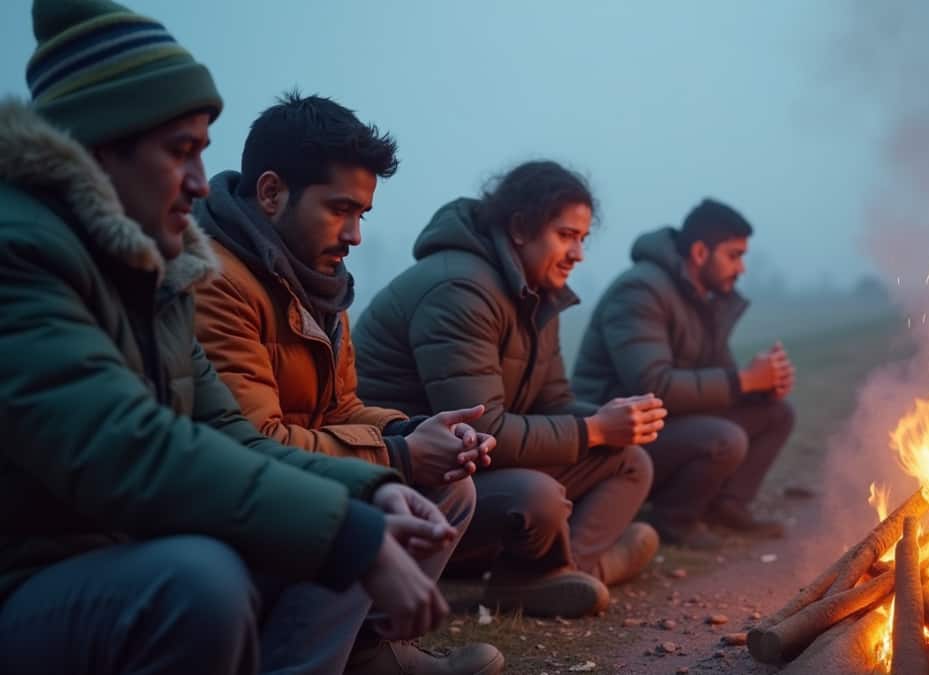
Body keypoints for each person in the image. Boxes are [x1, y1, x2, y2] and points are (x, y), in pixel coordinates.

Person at [0, 1, 464, 674]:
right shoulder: (22, 258)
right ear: (98, 146)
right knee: (199, 582)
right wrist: (354, 521)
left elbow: (229, 438)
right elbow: (130, 450)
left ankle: (362, 653)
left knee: (387, 508)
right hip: (36, 580)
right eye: (179, 152)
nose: (198, 181)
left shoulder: (156, 278)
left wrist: (371, 490)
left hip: (125, 553)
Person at [191, 92, 502, 675]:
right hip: (230, 509)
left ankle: (367, 653)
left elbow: (340, 408)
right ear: (270, 192)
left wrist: (417, 432)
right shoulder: (217, 282)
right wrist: (401, 456)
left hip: (296, 479)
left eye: (363, 214)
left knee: (453, 489)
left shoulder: (319, 281)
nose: (355, 235)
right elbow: (250, 442)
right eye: (340, 209)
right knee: (371, 506)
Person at [354, 161, 661, 618]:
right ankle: (572, 571)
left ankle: (548, 574)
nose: (578, 253)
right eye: (566, 235)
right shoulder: (460, 289)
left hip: (476, 469)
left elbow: (553, 403)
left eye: (583, 238)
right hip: (412, 481)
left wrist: (616, 419)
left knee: (630, 460)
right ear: (519, 228)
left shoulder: (536, 294)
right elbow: (481, 431)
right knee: (536, 496)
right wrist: (595, 429)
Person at [572, 198, 797, 549]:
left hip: (667, 420)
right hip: (617, 433)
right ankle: (673, 521)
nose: (742, 269)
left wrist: (763, 386)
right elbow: (652, 385)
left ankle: (726, 507)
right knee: (725, 437)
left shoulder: (705, 296)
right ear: (699, 252)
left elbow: (718, 374)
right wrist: (745, 380)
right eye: (734, 255)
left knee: (775, 413)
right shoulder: (640, 290)